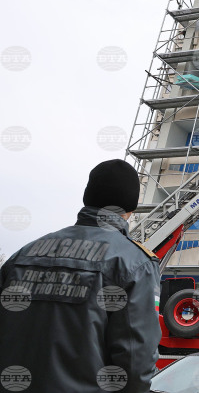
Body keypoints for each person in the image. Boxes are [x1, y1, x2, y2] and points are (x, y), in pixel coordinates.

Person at [0, 159, 161, 392]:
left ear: (87, 197)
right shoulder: (135, 263)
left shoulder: (22, 255)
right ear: (130, 208)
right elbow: (136, 361)